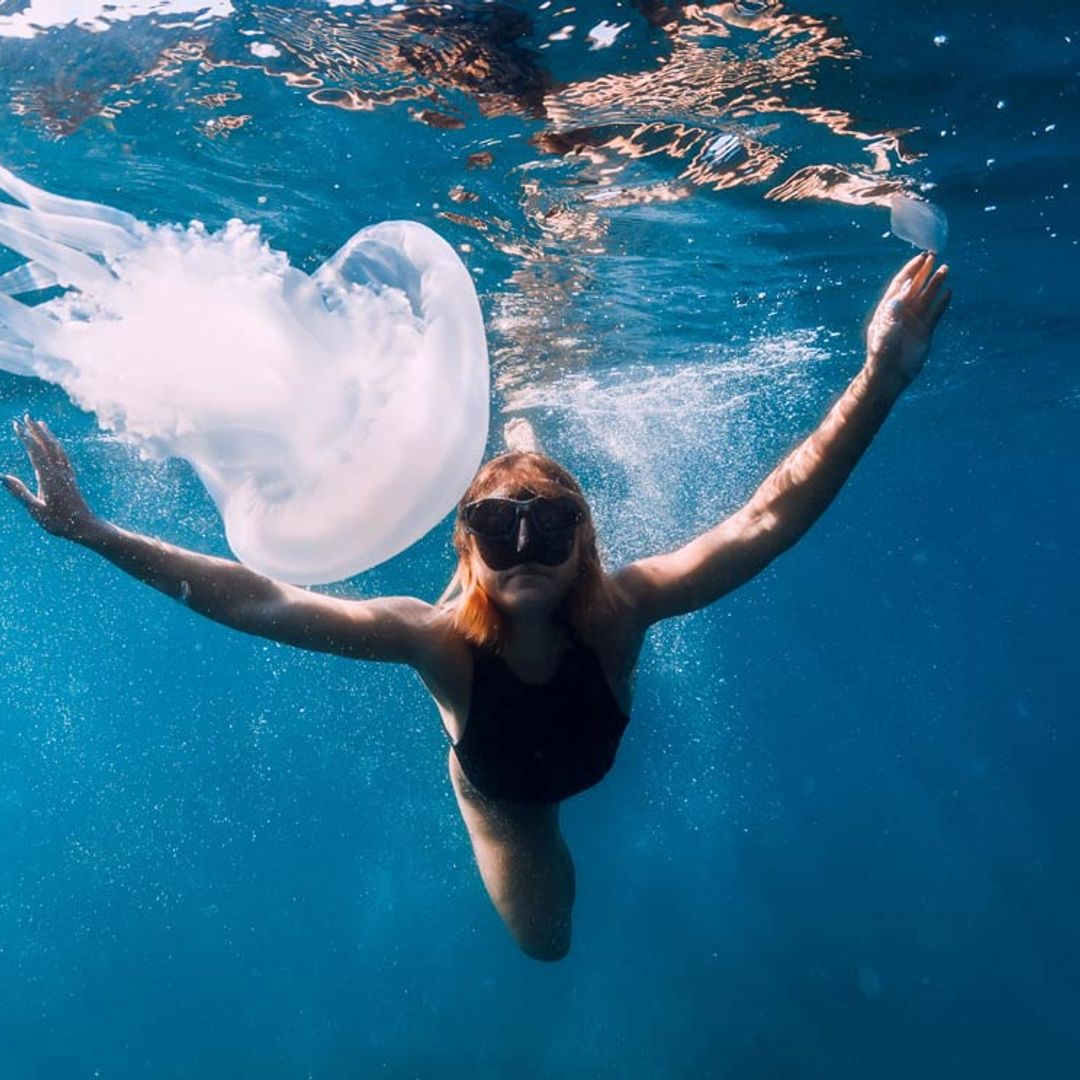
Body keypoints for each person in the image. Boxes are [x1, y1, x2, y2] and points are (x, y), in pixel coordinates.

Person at [3, 252, 951, 962]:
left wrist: (883, 376)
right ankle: (511, 446)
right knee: (547, 944)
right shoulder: (437, 643)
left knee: (548, 941)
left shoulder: (622, 608)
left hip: (555, 706)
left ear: (587, 537)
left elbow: (769, 518)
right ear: (468, 551)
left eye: (551, 525)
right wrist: (96, 533)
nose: (527, 546)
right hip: (505, 799)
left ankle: (520, 434)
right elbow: (260, 600)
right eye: (501, 531)